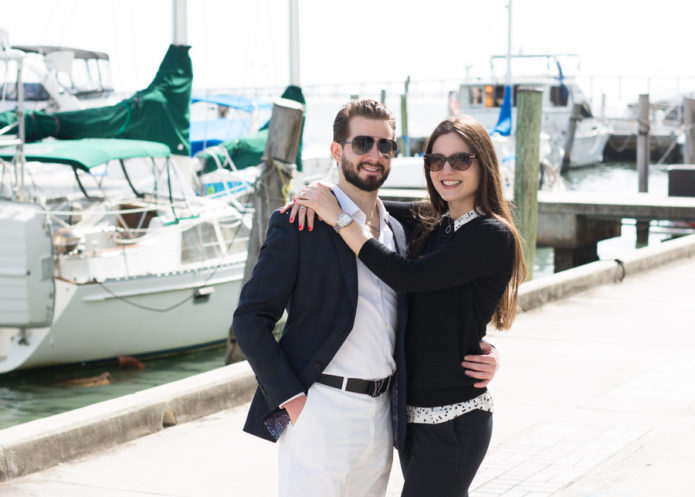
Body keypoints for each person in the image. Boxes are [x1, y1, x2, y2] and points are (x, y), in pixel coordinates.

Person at [232, 100, 499, 497]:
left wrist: (480, 348)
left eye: (385, 146)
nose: (375, 155)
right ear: (337, 150)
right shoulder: (297, 224)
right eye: (362, 143)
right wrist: (292, 400)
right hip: (320, 408)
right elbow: (250, 318)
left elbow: (446, 296)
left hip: (384, 414)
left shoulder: (406, 228)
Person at [291, 115, 526, 496]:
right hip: (410, 418)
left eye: (461, 160)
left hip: (455, 417)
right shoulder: (435, 224)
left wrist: (338, 219)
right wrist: (319, 192)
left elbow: (406, 277)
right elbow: (367, 201)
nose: (446, 170)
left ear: (484, 163)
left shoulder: (490, 234)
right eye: (435, 161)